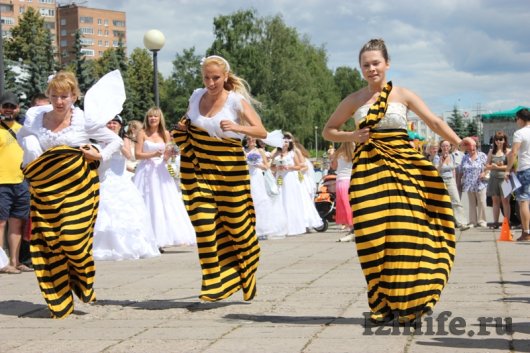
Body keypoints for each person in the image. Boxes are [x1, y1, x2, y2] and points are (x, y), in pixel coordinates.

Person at [322, 38, 469, 324]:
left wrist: (457, 140)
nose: (371, 69)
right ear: (361, 69)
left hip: (405, 172)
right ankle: (382, 304)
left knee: (405, 234)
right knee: (372, 238)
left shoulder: (403, 95)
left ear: (387, 64)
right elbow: (329, 130)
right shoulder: (355, 100)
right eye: (366, 65)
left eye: (376, 63)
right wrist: (352, 137)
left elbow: (434, 123)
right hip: (368, 175)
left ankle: (411, 303)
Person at [16, 70, 125, 318]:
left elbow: (114, 142)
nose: (59, 101)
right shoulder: (36, 118)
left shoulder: (84, 120)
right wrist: (30, 154)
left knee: (73, 240)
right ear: (49, 96)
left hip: (79, 189)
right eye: (54, 96)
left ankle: (83, 279)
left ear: (74, 96)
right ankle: (60, 298)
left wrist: (99, 154)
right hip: (47, 192)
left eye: (64, 96)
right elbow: (23, 138)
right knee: (51, 244)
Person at [172, 55, 266, 302]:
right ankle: (214, 281)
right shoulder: (195, 96)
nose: (211, 82)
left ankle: (247, 268)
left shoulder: (236, 101)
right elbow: (188, 122)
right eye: (207, 77)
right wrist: (181, 130)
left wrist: (238, 128)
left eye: (216, 78)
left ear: (225, 76)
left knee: (237, 228)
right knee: (203, 224)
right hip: (199, 168)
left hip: (230, 171)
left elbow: (261, 131)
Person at [92, 115, 160, 261]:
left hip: (121, 180)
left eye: (114, 123)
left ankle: (128, 246)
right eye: (109, 123)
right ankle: (103, 245)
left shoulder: (125, 139)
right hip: (104, 179)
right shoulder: (100, 140)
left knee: (128, 213)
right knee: (103, 213)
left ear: (120, 126)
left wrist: (117, 142)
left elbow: (129, 155)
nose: (111, 125)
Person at [133, 108, 195, 250]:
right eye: (150, 116)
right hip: (146, 171)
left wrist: (170, 154)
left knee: (163, 202)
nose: (152, 119)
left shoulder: (166, 134)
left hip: (161, 170)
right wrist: (153, 154)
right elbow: (137, 155)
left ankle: (162, 237)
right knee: (147, 201)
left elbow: (168, 154)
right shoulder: (141, 133)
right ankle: (146, 239)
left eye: (155, 116)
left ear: (160, 118)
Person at [0, 92, 31, 274]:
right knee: (1, 223)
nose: (9, 110)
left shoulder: (22, 129)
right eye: (5, 106)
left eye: (12, 106)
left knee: (17, 224)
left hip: (21, 181)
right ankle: (1, 262)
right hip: (1, 182)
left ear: (18, 109)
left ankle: (15, 261)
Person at [246, 137, 286, 239]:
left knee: (259, 202)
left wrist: (256, 164)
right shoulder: (243, 151)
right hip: (247, 177)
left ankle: (262, 230)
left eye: (252, 139)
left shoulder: (259, 151)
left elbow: (266, 166)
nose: (251, 141)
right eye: (248, 139)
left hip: (257, 177)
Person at [505, 108, 530, 241]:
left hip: (525, 168)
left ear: (520, 119)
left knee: (524, 201)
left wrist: (508, 169)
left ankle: (526, 232)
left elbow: (514, 153)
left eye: (516, 119)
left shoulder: (519, 133)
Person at [433, 140, 469, 231]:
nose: (445, 148)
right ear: (441, 147)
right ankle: (440, 223)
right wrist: (442, 163)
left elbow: (455, 168)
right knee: (441, 203)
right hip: (440, 181)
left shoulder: (452, 156)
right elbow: (436, 170)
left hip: (450, 180)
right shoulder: (437, 158)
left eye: (447, 146)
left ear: (450, 147)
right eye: (443, 146)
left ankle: (462, 223)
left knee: (456, 201)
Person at [460, 137, 488, 228]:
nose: (471, 149)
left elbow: (488, 167)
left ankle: (482, 221)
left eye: (473, 146)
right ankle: (472, 221)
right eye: (469, 147)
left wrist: (484, 172)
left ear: (476, 146)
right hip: (469, 183)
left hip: (480, 183)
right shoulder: (465, 157)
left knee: (482, 202)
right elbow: (461, 170)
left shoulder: (482, 155)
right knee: (471, 203)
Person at [485, 131, 511, 229]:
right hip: (493, 179)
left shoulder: (508, 151)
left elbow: (510, 166)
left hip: (505, 179)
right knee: (495, 201)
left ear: (504, 140)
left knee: (505, 201)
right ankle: (495, 222)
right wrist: (492, 166)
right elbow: (487, 165)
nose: (499, 141)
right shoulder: (491, 152)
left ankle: (507, 222)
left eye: (501, 139)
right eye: (497, 139)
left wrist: (498, 167)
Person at [330, 142, 355, 241]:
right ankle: (353, 226)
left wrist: (332, 159)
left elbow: (334, 167)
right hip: (351, 180)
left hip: (341, 181)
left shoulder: (338, 154)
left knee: (344, 205)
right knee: (352, 205)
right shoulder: (354, 154)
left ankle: (350, 225)